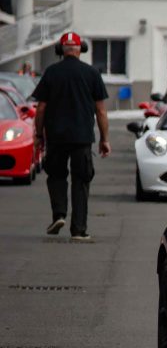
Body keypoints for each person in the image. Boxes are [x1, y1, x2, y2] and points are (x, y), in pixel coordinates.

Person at [32, 32, 110, 241]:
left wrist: (38, 135)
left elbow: (40, 109)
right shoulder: (92, 73)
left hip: (56, 138)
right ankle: (79, 230)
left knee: (56, 176)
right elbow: (101, 111)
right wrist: (104, 139)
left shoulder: (51, 72)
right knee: (81, 181)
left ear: (60, 50)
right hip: (82, 138)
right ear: (80, 49)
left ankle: (58, 215)